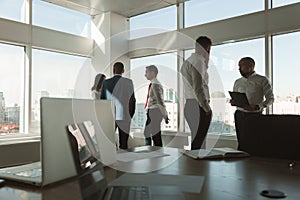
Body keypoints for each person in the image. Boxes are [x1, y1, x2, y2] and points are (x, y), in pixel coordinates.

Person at [230, 56, 274, 150]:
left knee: (254, 140)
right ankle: (241, 161)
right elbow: (235, 97)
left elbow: (270, 99)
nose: (239, 69)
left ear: (251, 66)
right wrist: (234, 102)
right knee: (241, 140)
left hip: (254, 115)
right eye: (239, 66)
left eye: (241, 66)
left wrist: (257, 107)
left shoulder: (262, 80)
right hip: (239, 115)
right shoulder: (237, 82)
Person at [180, 36, 213, 150]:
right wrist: (206, 107)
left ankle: (196, 166)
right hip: (198, 106)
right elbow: (198, 87)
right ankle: (199, 165)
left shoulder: (188, 61)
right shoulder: (198, 61)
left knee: (197, 139)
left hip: (190, 104)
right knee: (199, 142)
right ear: (207, 48)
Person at [100, 62, 136, 149]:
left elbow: (102, 101)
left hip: (110, 116)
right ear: (123, 70)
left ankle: (111, 161)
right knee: (124, 143)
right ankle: (124, 162)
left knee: (109, 141)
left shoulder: (106, 83)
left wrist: (104, 116)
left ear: (113, 70)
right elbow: (132, 100)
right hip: (125, 116)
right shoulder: (129, 82)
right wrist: (130, 115)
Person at [144, 65, 169, 147]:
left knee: (154, 134)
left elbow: (160, 101)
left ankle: (155, 151)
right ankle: (152, 151)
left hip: (155, 111)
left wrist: (165, 115)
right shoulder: (154, 84)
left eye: (146, 72)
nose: (145, 74)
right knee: (150, 133)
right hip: (152, 111)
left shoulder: (155, 85)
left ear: (152, 73)